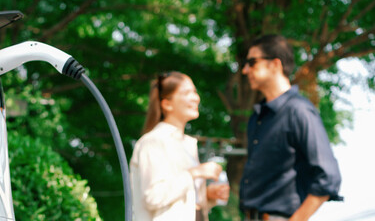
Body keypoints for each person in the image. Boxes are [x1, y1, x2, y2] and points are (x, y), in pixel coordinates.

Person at [239, 34, 343, 221]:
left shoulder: (299, 111)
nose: (245, 70)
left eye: (252, 62)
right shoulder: (257, 117)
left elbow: (328, 177)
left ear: (275, 65)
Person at [130, 71, 229, 221]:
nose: (195, 98)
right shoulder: (153, 142)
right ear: (167, 104)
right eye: (186, 93)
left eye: (195, 92)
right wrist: (195, 173)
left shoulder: (188, 144)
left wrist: (208, 196)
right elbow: (153, 196)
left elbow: (181, 206)